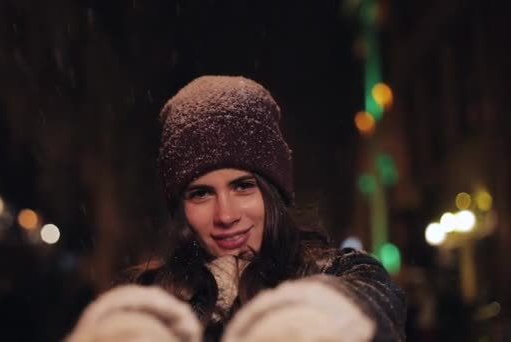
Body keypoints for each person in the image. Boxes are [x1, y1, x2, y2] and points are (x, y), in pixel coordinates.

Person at [66, 76, 406, 341]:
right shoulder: (153, 296)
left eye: (243, 186)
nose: (225, 215)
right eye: (201, 194)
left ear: (273, 192)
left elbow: (373, 303)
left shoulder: (341, 271)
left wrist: (313, 320)